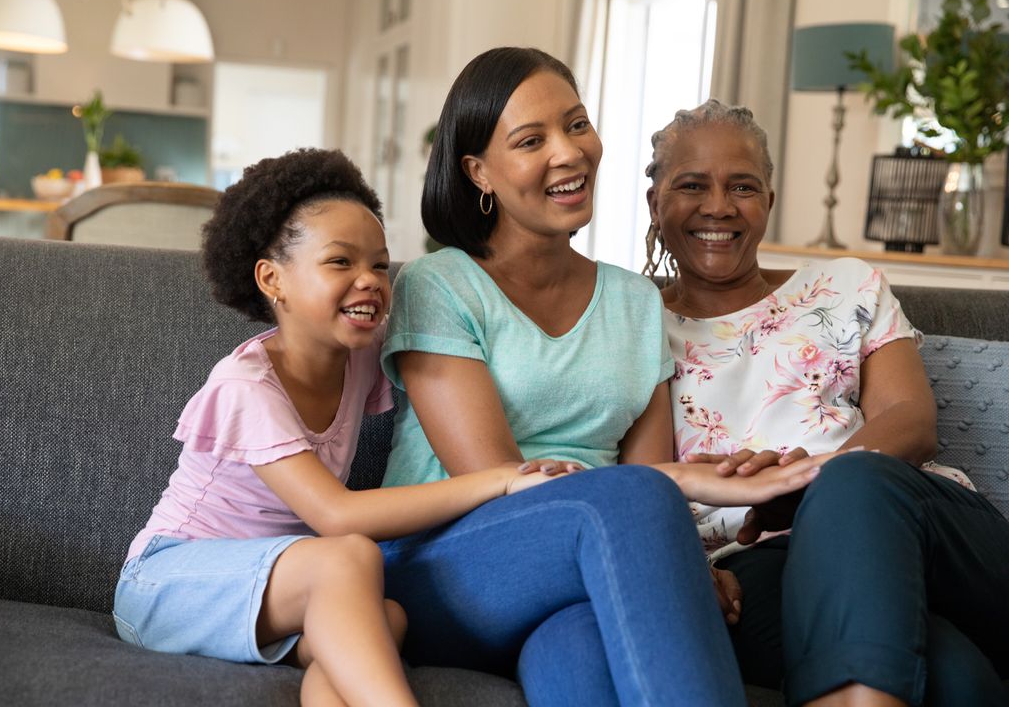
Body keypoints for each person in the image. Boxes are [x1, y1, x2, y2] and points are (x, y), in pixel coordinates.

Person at [377, 47, 838, 707]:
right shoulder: (439, 285)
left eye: (576, 124)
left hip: (583, 571)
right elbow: (506, 485)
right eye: (532, 140)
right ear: (478, 172)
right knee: (635, 500)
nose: (569, 154)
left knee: (578, 653)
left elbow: (647, 478)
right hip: (447, 566)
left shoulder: (634, 301)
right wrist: (661, 526)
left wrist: (665, 560)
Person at [112, 148, 570, 707]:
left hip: (278, 591)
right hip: (167, 584)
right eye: (339, 262)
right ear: (272, 279)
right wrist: (500, 478)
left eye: (379, 264)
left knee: (387, 616)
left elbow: (473, 351)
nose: (369, 281)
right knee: (351, 556)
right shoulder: (246, 387)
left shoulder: (358, 355)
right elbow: (336, 516)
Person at [643, 99, 1009, 706]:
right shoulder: (631, 325)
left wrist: (806, 484)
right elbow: (646, 483)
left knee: (853, 481)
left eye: (743, 186)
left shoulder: (844, 284)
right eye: (691, 185)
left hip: (920, 527)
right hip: (758, 562)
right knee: (958, 681)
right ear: (656, 203)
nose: (718, 206)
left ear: (769, 203)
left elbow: (911, 422)